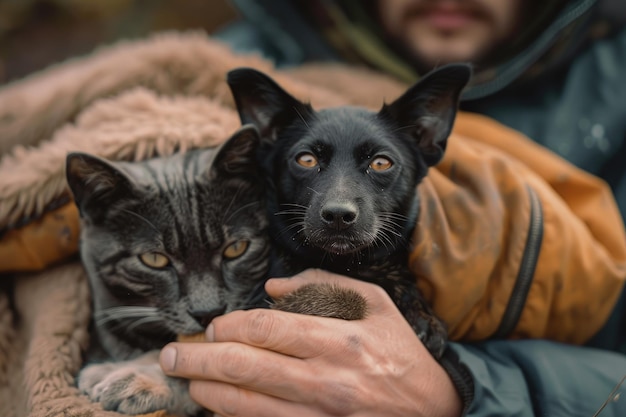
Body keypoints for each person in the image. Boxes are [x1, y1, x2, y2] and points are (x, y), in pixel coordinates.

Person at [159, 1, 626, 416]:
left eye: (380, 163)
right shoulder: (212, 63)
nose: (339, 203)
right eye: (307, 159)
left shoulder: (614, 78)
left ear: (428, 138)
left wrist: (457, 388)